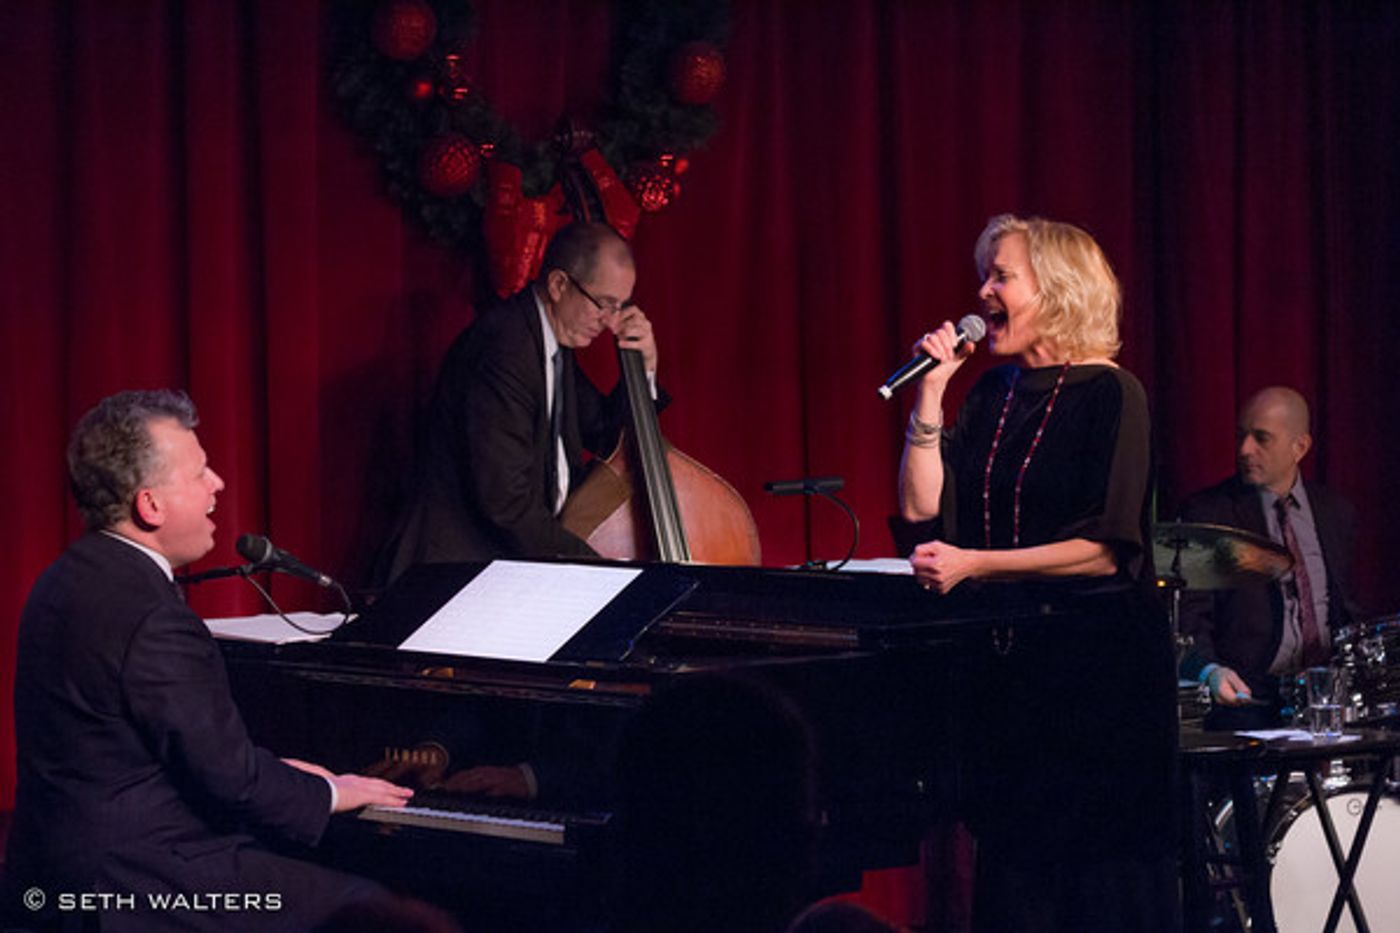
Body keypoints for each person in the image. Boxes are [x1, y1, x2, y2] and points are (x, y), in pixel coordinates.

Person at [2, 390, 413, 932]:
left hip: (52, 870)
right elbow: (231, 781)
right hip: (136, 885)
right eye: (200, 473)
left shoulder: (66, 578)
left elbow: (132, 754)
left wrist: (276, 772)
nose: (218, 483)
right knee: (377, 913)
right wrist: (332, 790)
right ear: (150, 506)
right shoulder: (152, 614)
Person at [897, 214, 1177, 932]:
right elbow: (923, 508)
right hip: (1012, 681)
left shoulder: (1115, 395)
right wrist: (930, 398)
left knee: (1095, 890)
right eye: (984, 275)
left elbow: (1106, 546)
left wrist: (975, 565)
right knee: (1016, 887)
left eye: (1002, 276)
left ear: (1056, 289)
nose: (982, 290)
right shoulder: (993, 395)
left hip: (1096, 686)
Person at [383, 221, 664, 581]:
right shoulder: (505, 350)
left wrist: (644, 371)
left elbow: (608, 438)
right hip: (454, 572)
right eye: (603, 305)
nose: (610, 323)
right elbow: (506, 504)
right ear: (559, 285)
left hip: (505, 567)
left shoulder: (553, 346)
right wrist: (601, 572)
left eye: (619, 307)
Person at [1176, 386, 1360, 730]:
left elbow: (1342, 607)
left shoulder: (1336, 512)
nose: (1245, 450)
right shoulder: (1210, 512)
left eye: (1262, 438)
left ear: (1300, 447)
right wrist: (1209, 670)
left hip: (1322, 700)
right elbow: (1189, 616)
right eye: (1241, 436)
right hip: (1247, 700)